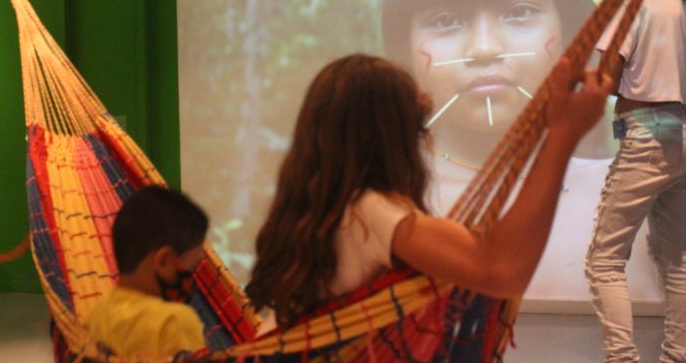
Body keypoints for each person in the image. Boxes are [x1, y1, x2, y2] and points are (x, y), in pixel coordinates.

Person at [379, 0, 661, 305]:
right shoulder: (363, 207)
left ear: (569, 32)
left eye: (520, 11)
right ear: (402, 49)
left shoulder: (645, 203)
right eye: (446, 20)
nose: (484, 48)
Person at [245, 53, 611, 327]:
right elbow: (501, 269)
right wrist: (563, 135)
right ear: (394, 136)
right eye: (417, 127)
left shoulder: (320, 212)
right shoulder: (371, 212)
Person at [584, 0, 686, 361]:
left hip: (646, 133)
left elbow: (607, 80)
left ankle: (622, 359)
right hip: (682, 136)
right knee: (679, 259)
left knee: (603, 260)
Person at [87, 185, 208, 358]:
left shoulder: (99, 312)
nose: (192, 276)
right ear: (164, 261)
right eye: (193, 266)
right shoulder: (174, 321)